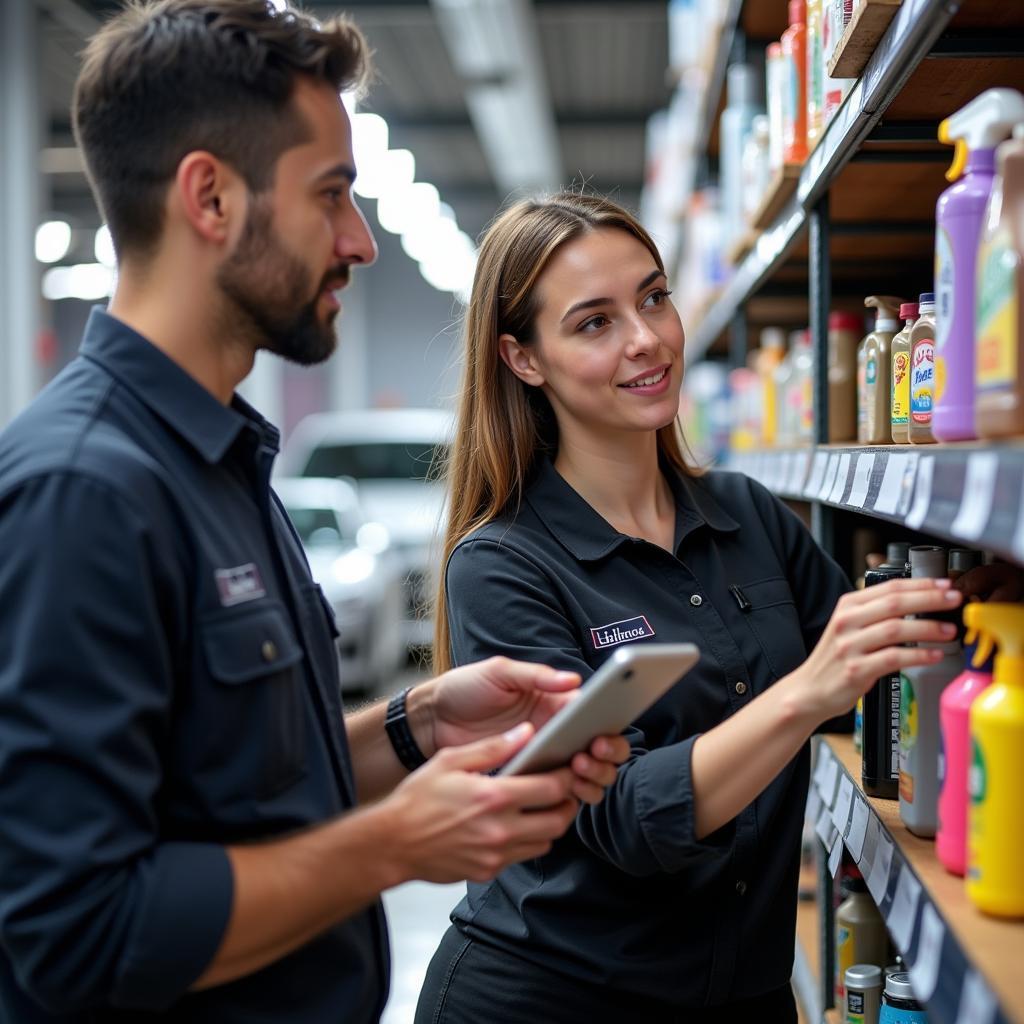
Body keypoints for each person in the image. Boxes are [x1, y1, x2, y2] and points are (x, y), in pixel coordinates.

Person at [0, 5, 630, 1022]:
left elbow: (238, 785)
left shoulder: (222, 460)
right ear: (209, 197)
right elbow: (78, 930)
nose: (359, 242)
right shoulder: (86, 493)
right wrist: (394, 844)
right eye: (331, 194)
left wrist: (418, 724)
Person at [415, 192, 965, 1023]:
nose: (646, 339)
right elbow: (627, 816)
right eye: (593, 322)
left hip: (743, 991)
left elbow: (868, 671)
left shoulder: (746, 514)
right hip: (558, 999)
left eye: (653, 296)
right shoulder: (501, 566)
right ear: (524, 359)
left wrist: (972, 603)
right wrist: (809, 690)